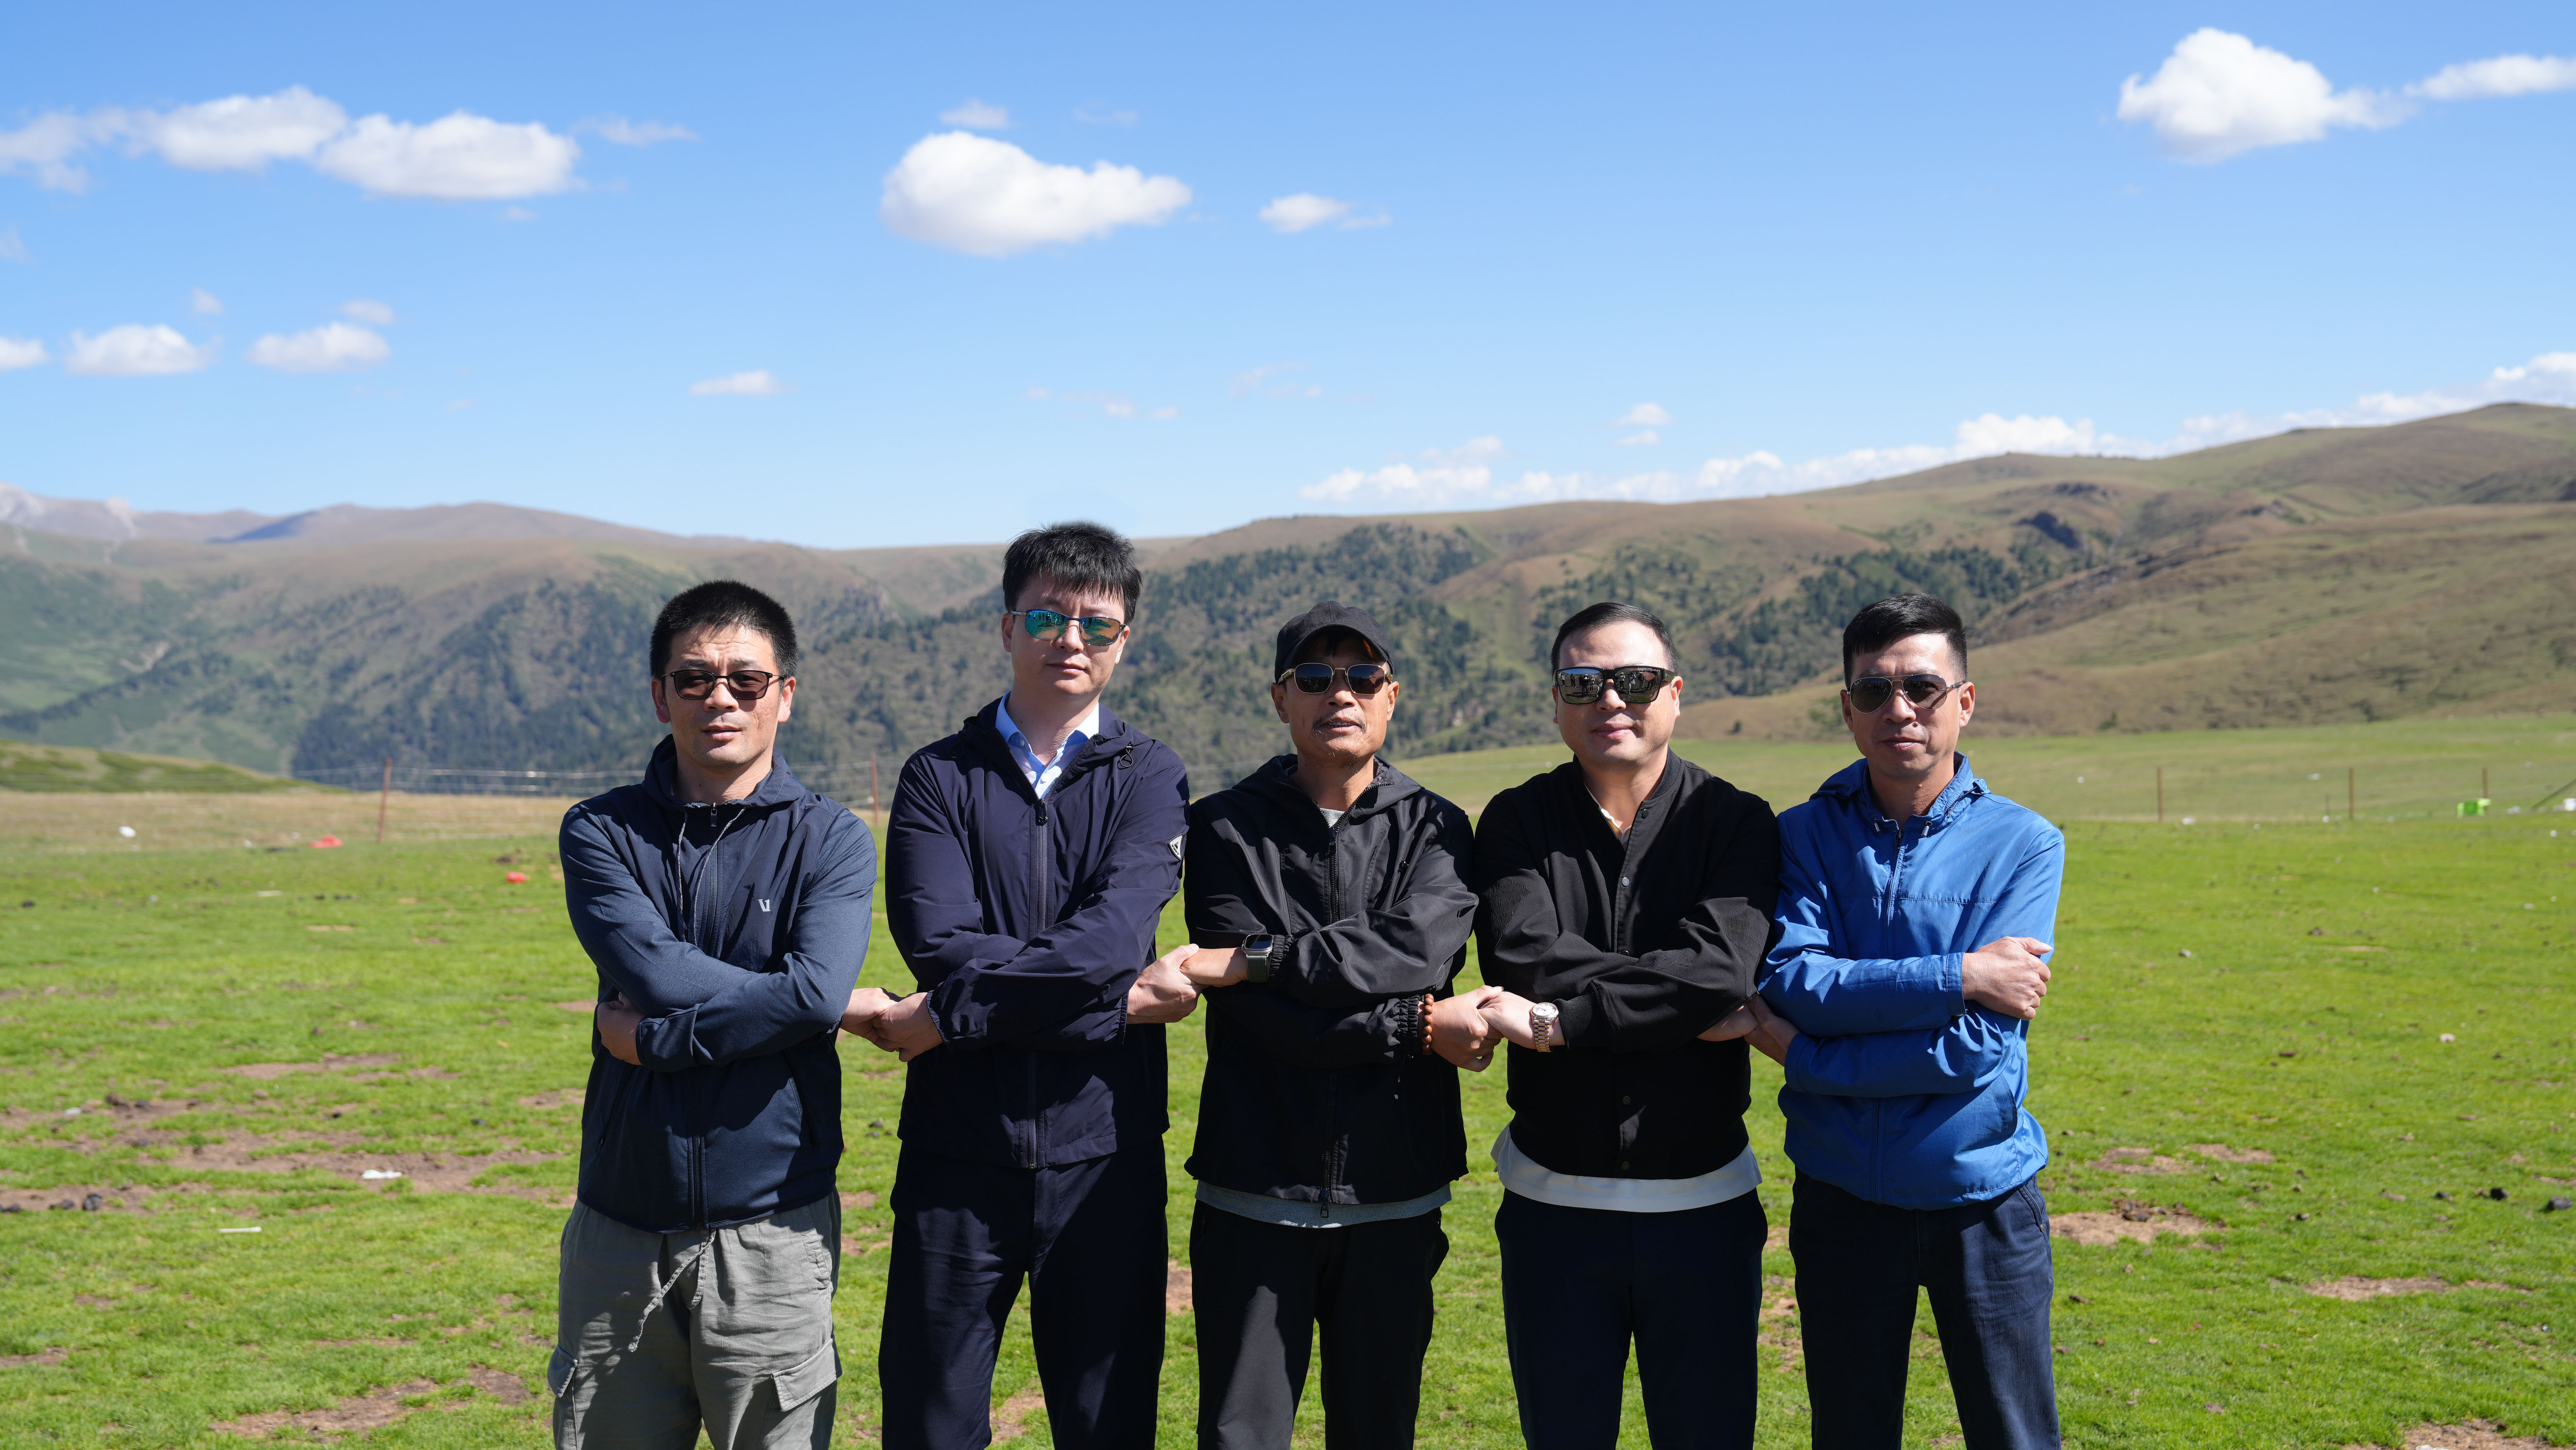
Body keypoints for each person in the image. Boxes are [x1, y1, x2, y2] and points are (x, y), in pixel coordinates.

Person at [864, 521, 1199, 1450]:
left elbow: (1110, 943)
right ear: (1008, 627)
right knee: (930, 1426)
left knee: (1108, 1426)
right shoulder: (938, 776)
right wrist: (1117, 1006)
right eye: (1049, 617)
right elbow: (940, 945)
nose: (1072, 640)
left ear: (1125, 641)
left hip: (1105, 1157)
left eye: (1099, 624)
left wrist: (950, 1018)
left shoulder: (1152, 774)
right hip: (956, 1158)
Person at [554, 579, 879, 1450]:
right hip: (619, 1233)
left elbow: (811, 997)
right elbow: (660, 972)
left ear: (785, 695)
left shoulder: (832, 839)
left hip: (772, 1230)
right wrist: (802, 1002)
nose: (721, 698)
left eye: (747, 679)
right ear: (661, 696)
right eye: (694, 678)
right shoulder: (601, 830)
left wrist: (653, 1041)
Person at [1745, 592, 2064, 1450]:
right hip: (1841, 1200)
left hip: (1983, 1201)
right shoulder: (1801, 835)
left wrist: (1807, 1060)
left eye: (1922, 688)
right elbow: (1798, 983)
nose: (1900, 711)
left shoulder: (2026, 844)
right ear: (1847, 708)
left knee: (2014, 1435)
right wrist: (1962, 973)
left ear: (1965, 700)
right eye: (1873, 691)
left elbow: (1976, 1048)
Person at [1176, 601, 1494, 1450]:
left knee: (1379, 1430)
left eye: (1362, 677)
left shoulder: (1440, 826)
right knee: (1241, 1436)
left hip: (1396, 1184)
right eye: (1314, 677)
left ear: (1393, 695)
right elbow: (1261, 1019)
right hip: (1255, 1187)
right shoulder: (1222, 826)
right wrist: (1418, 1027)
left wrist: (1260, 959)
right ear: (1281, 698)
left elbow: (1415, 950)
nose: (1339, 694)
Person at [1469, 601, 1778, 1450]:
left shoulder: (1736, 820)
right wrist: (1680, 1001)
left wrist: (1560, 1025)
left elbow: (1723, 971)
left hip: (1705, 1209)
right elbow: (1527, 961)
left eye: (1636, 681)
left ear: (1674, 693)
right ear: (1556, 701)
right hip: (1553, 1212)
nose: (1611, 699)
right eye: (1583, 682)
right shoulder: (1514, 821)